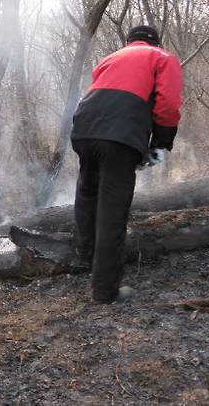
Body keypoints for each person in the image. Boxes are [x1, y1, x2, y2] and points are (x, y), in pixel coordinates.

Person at [70, 25, 183, 303]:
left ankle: (84, 259)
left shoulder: (111, 57)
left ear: (129, 41)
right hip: (119, 137)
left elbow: (94, 92)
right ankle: (105, 290)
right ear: (155, 41)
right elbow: (168, 103)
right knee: (113, 209)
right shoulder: (162, 57)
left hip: (83, 129)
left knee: (87, 193)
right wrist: (161, 143)